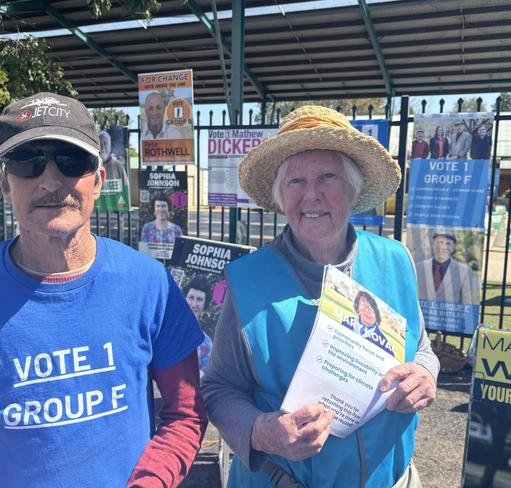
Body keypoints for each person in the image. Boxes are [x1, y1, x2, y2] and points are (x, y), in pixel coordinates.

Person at [0, 92, 207, 487]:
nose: (49, 180)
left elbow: (185, 414)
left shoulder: (150, 284)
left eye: (71, 160)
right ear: (5, 186)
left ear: (97, 181)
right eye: (27, 162)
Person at [202, 105, 439, 487]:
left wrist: (427, 373)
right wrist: (262, 431)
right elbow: (219, 388)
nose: (311, 195)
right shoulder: (249, 280)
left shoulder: (396, 260)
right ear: (281, 195)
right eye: (295, 181)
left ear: (353, 187)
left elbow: (422, 346)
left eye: (327, 177)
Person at [415, 229, 480, 305]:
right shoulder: (418, 268)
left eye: (448, 244)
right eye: (440, 242)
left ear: (453, 247)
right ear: (433, 244)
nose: (443, 247)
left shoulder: (464, 272)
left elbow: (467, 304)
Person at [341, 290, 394, 356]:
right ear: (357, 307)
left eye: (371, 308)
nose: (367, 311)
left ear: (376, 314)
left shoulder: (384, 344)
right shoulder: (347, 321)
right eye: (364, 305)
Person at [183, 275, 214, 373]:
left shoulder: (206, 344)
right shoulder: (166, 329)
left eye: (199, 299)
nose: (194, 304)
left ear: (205, 304)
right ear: (184, 298)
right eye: (191, 297)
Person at [97, 130, 129, 208]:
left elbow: (126, 186)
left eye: (105, 143)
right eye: (100, 144)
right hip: (98, 214)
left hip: (116, 212)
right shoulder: (93, 165)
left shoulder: (118, 165)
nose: (103, 147)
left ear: (110, 146)